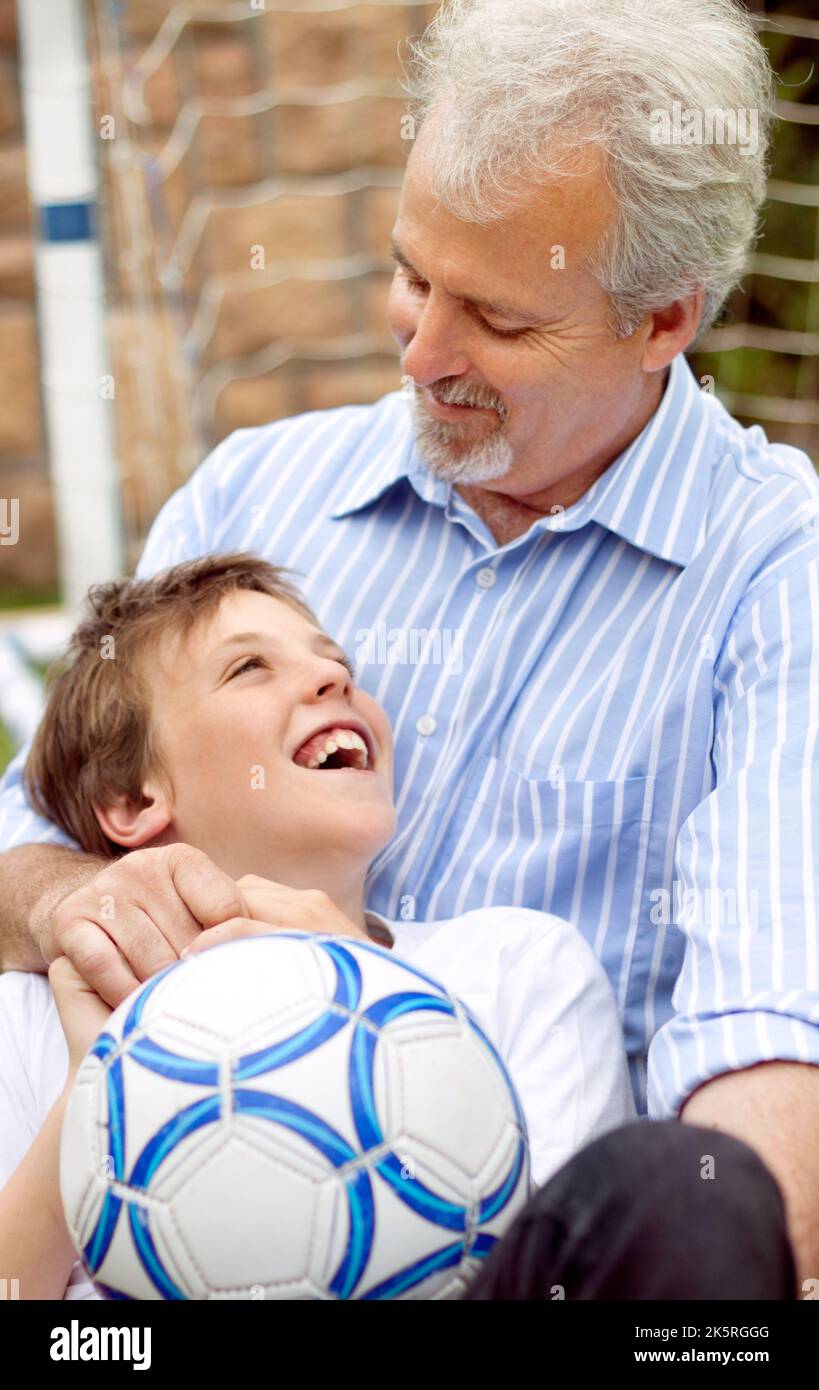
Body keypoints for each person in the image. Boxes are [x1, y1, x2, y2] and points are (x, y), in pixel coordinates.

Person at [1, 0, 817, 1293]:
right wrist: (79, 907)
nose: (422, 350)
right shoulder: (253, 493)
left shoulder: (778, 574)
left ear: (663, 319)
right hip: (154, 1249)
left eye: (495, 319)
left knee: (684, 1197)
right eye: (410, 273)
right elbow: (29, 840)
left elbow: (763, 1059)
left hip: (524, 1249)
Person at [0, 552, 635, 1299]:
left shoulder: (516, 969)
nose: (336, 679)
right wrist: (90, 1099)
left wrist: (364, 993)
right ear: (132, 802)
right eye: (248, 670)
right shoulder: (39, 1014)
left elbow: (552, 1281)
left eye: (338, 664)